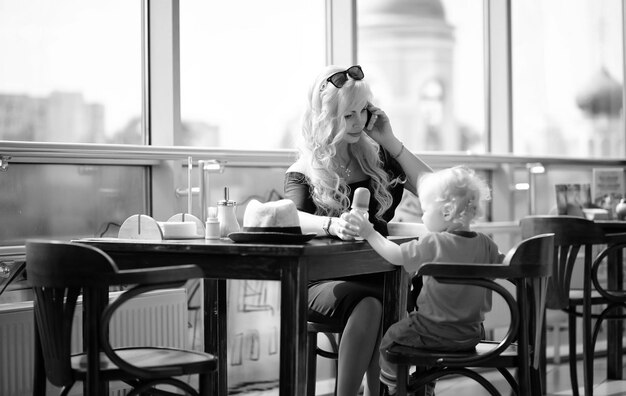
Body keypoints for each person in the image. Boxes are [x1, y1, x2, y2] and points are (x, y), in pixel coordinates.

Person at [283, 64, 432, 396]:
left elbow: (437, 192)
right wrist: (332, 225)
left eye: (362, 111)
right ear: (326, 119)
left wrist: (391, 141)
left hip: (382, 278)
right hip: (322, 282)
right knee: (374, 305)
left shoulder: (378, 159)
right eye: (347, 115)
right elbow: (290, 216)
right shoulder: (305, 171)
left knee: (386, 300)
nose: (358, 122)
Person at [347, 165, 505, 396]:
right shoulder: (487, 244)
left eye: (425, 210)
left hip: (432, 332)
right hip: (470, 335)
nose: (422, 216)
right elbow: (508, 266)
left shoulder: (434, 243)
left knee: (390, 339)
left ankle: (397, 388)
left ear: (447, 212)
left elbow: (396, 255)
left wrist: (370, 233)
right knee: (423, 338)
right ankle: (425, 386)